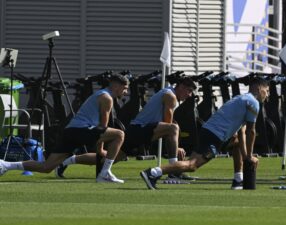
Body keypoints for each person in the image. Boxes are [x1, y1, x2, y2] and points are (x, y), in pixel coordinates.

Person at [140, 77, 270, 190]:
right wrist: (250, 156)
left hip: (211, 132)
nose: (267, 94)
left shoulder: (241, 98)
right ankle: (153, 172)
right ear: (259, 89)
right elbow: (251, 131)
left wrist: (247, 156)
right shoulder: (253, 103)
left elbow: (242, 132)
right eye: (267, 90)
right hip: (215, 136)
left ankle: (238, 180)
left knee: (236, 143)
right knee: (192, 165)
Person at [54, 77, 196, 178]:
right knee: (173, 128)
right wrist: (176, 147)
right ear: (181, 87)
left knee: (109, 158)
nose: (189, 95)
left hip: (142, 130)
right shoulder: (170, 96)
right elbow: (168, 122)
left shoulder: (171, 94)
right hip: (140, 129)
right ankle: (173, 170)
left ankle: (67, 161)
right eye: (188, 91)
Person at [0, 73, 129, 183]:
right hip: (81, 130)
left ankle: (6, 165)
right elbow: (103, 127)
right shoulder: (107, 98)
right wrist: (100, 149)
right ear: (116, 86)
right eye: (124, 88)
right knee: (119, 134)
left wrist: (100, 149)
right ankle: (105, 173)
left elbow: (101, 130)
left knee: (46, 167)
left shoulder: (103, 95)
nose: (125, 92)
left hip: (70, 131)